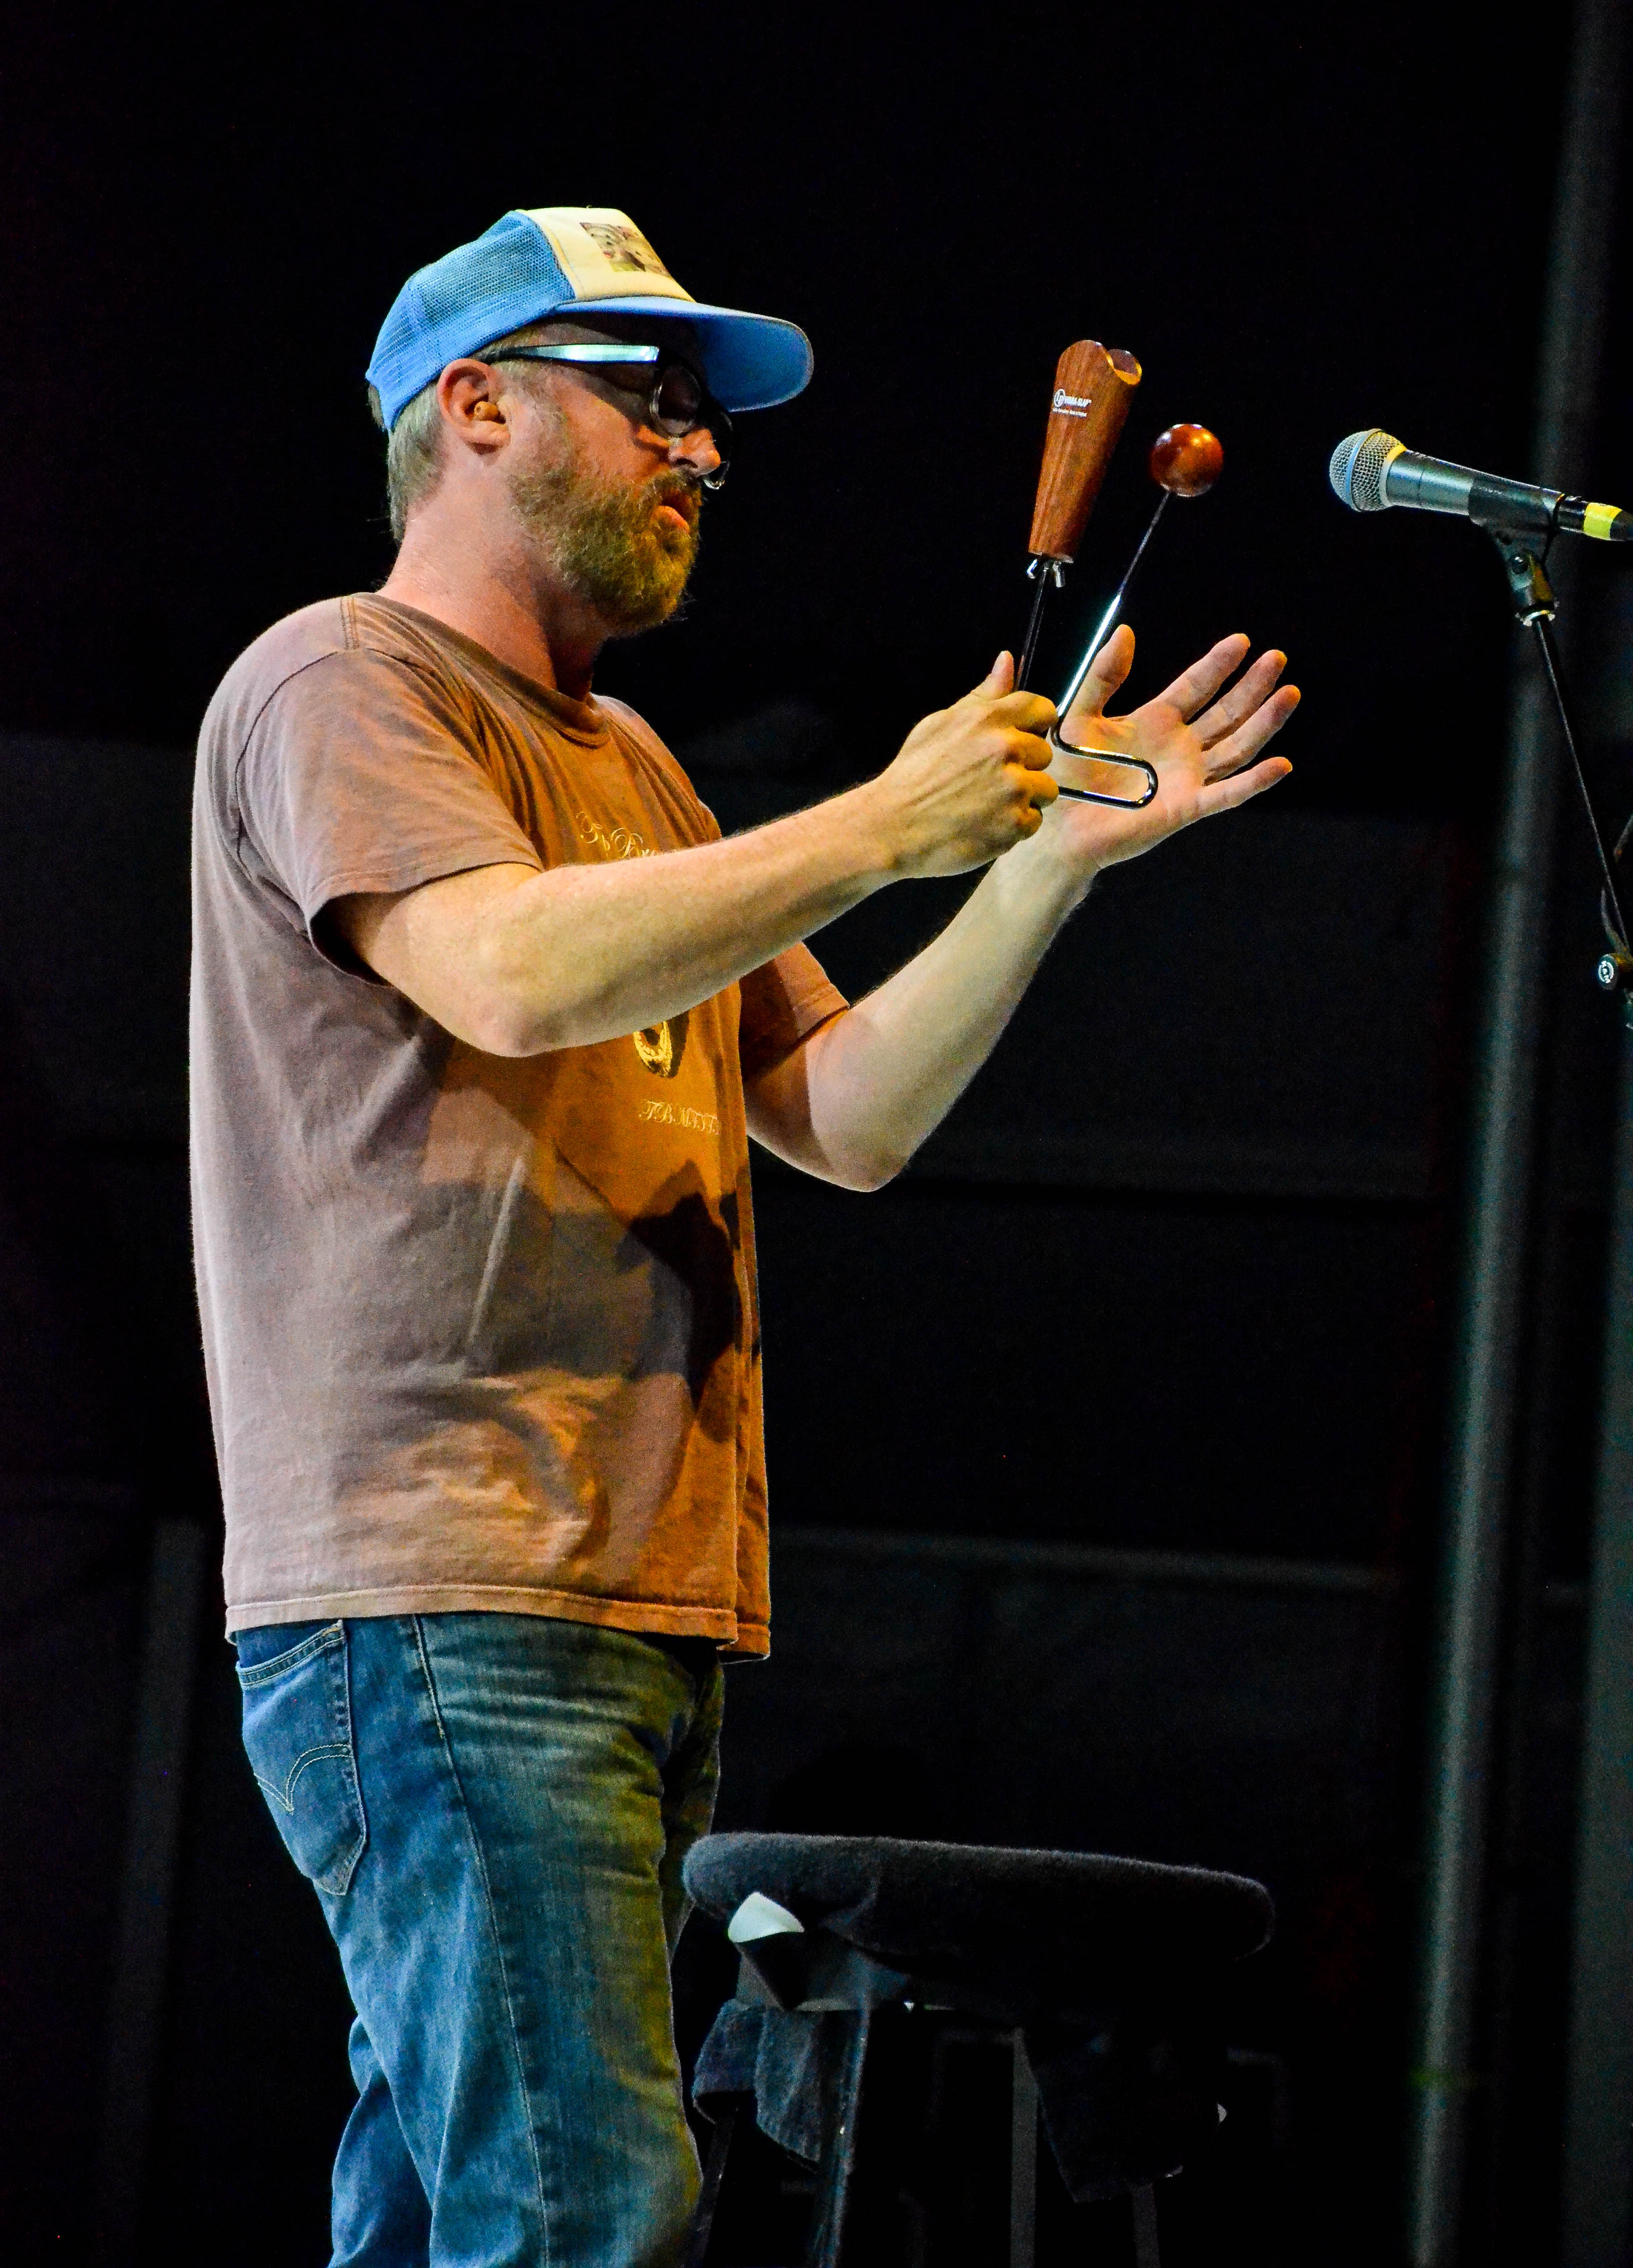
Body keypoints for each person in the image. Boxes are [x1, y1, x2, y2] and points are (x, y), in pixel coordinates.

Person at [190, 204, 1297, 2268]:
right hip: (448, 1577)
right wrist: (887, 820)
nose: (702, 447)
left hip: (621, 1590)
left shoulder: (633, 765)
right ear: (478, 405)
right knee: (589, 2216)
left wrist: (1041, 863)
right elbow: (508, 972)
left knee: (459, 2203)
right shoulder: (344, 677)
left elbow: (844, 1121)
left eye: (704, 411)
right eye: (651, 397)